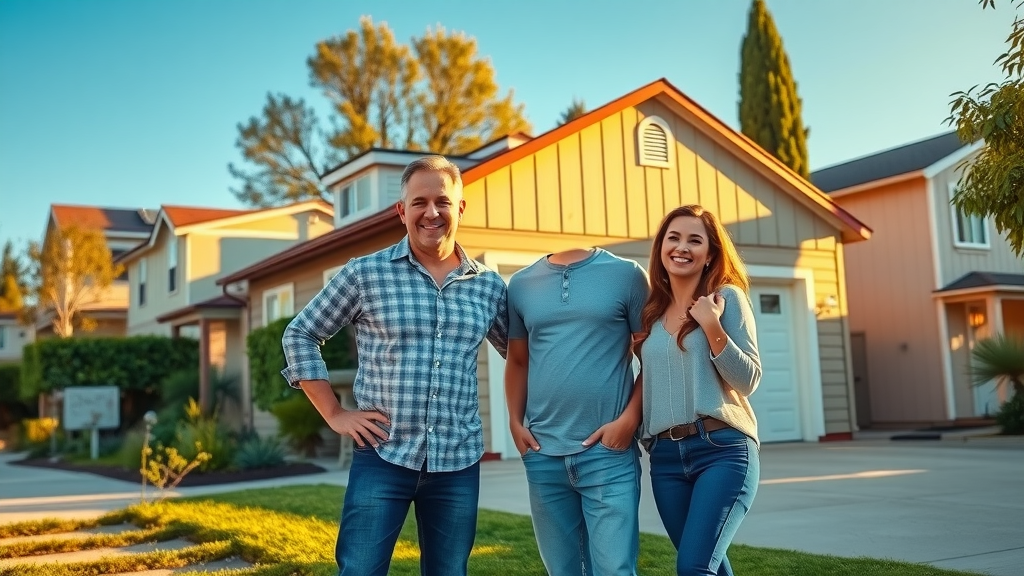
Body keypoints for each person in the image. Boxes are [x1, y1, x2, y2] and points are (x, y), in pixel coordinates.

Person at [280, 155, 509, 576]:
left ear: (460, 208)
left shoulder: (489, 286)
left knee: (449, 572)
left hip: (457, 460)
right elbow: (300, 333)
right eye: (419, 202)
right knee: (361, 570)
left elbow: (522, 354)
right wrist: (334, 414)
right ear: (401, 211)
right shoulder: (364, 275)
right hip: (383, 455)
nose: (431, 212)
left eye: (442, 201)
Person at [505, 246, 649, 576]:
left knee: (614, 570)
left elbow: (650, 355)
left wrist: (628, 421)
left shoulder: (627, 275)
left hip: (607, 455)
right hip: (543, 455)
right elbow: (517, 360)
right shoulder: (522, 284)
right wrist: (514, 423)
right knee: (563, 571)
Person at [636, 204, 761, 576]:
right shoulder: (651, 314)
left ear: (709, 254)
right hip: (667, 459)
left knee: (693, 568)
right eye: (673, 238)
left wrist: (711, 325)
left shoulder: (726, 299)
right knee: (709, 567)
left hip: (722, 451)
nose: (682, 247)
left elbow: (748, 379)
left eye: (695, 240)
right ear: (661, 248)